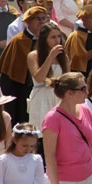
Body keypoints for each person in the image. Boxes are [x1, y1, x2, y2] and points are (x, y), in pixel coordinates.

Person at [0, 5, 48, 124]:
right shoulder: (18, 41)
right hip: (18, 86)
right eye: (38, 19)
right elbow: (14, 70)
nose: (42, 22)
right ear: (28, 22)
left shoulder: (46, 39)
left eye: (44, 18)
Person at [27, 23, 67, 151]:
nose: (57, 40)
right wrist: (50, 57)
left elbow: (67, 79)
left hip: (58, 98)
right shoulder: (34, 55)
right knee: (41, 136)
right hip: (41, 98)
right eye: (53, 37)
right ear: (44, 40)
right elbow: (39, 78)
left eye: (58, 37)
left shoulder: (64, 58)